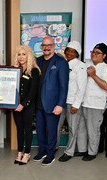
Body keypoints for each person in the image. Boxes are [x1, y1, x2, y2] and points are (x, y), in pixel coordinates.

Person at [34, 36, 69, 166]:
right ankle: (42, 151)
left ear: (54, 46)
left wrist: (60, 104)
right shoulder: (37, 61)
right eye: (44, 45)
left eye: (49, 45)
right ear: (41, 47)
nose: (46, 47)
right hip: (38, 103)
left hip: (53, 104)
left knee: (52, 130)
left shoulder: (61, 62)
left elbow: (64, 86)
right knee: (40, 129)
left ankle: (50, 154)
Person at [77, 43, 107, 161]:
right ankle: (82, 150)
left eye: (97, 53)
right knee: (81, 128)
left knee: (93, 130)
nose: (94, 54)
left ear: (104, 55)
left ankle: (92, 152)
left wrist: (93, 75)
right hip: (83, 102)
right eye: (92, 52)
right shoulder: (86, 64)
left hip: (95, 104)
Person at [57, 41, 88, 162]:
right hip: (61, 101)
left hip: (72, 102)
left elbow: (82, 87)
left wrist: (76, 104)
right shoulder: (63, 63)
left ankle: (69, 152)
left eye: (73, 51)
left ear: (77, 54)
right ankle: (54, 147)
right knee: (56, 126)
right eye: (68, 50)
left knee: (72, 128)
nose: (69, 53)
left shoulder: (80, 66)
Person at [12, 45, 40, 165]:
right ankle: (20, 152)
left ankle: (27, 153)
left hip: (27, 106)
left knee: (28, 129)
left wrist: (23, 105)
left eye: (24, 54)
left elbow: (33, 92)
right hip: (15, 105)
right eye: (19, 54)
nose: (21, 57)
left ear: (29, 56)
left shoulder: (33, 70)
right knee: (19, 129)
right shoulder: (15, 70)